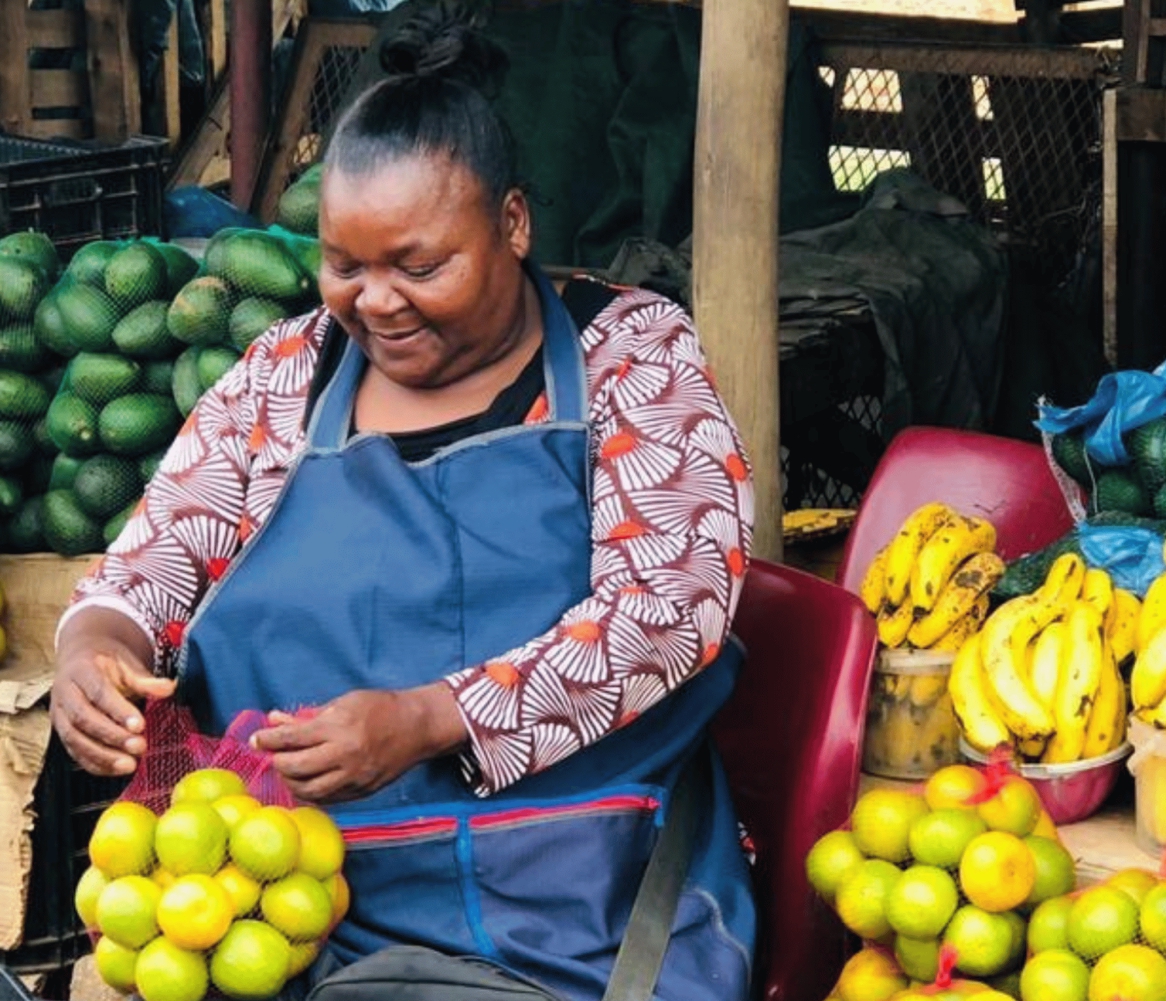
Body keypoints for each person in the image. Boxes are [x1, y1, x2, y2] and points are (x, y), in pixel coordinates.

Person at [48, 6, 756, 999]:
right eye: (347, 264)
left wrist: (432, 717)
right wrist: (97, 646)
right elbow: (161, 551)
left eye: (419, 265)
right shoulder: (286, 373)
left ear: (512, 224)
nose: (376, 299)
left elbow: (667, 610)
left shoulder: (628, 358)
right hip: (283, 905)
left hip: (575, 907)